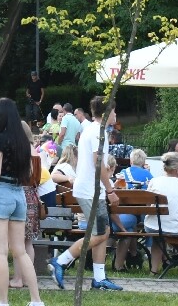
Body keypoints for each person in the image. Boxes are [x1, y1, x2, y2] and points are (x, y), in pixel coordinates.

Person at [50, 95, 123, 291]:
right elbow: (97, 164)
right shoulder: (99, 133)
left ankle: (99, 279)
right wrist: (111, 191)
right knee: (101, 233)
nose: (115, 115)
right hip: (91, 190)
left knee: (101, 232)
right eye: (114, 111)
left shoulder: (90, 129)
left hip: (89, 189)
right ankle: (61, 261)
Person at [0, 98, 43, 306]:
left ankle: (3, 302)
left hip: (1, 192)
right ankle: (36, 300)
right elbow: (30, 172)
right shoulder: (24, 141)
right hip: (19, 194)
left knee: (1, 251)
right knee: (20, 250)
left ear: (2, 114)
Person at [143, 152, 178, 274]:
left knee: (158, 236)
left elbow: (147, 204)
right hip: (172, 228)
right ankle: (174, 259)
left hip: (151, 225)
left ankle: (154, 270)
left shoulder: (154, 181)